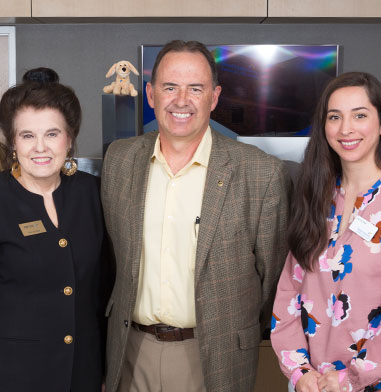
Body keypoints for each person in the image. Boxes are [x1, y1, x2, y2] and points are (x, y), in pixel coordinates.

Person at [101, 40, 291, 392]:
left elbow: (271, 280)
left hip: (214, 357)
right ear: (151, 94)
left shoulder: (261, 173)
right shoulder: (119, 160)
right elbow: (112, 258)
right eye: (170, 87)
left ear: (214, 97)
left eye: (196, 88)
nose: (181, 100)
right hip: (131, 351)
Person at [271, 71, 381, 392]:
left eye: (360, 115)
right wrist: (299, 372)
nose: (346, 128)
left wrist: (351, 378)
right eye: (334, 117)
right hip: (314, 384)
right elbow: (288, 294)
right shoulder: (317, 197)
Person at [0, 69, 105, 391]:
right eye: (28, 135)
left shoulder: (94, 192)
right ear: (12, 142)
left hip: (84, 371)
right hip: (15, 373)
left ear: (69, 139)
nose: (40, 148)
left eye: (52, 134)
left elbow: (105, 286)